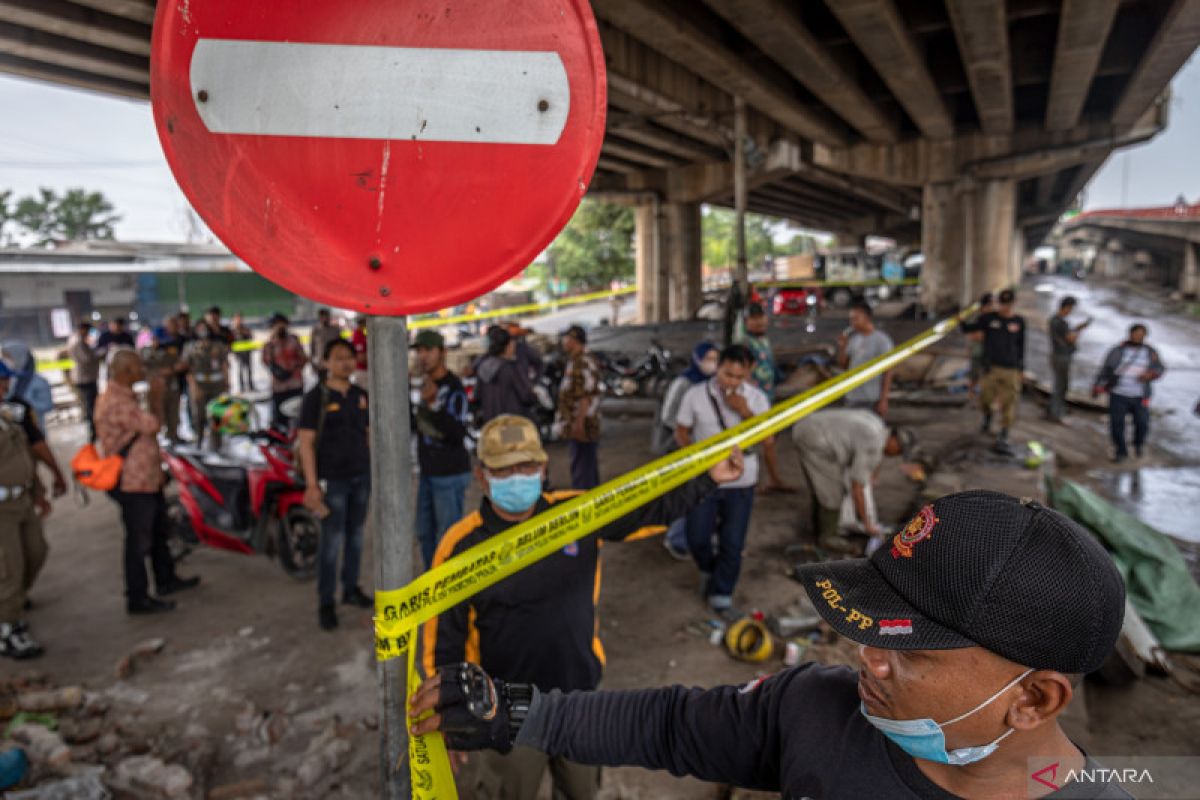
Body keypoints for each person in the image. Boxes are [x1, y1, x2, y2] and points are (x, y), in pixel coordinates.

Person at [412, 491, 1133, 800]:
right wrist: (514, 712)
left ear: (1033, 700)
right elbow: (668, 724)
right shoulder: (814, 712)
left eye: (911, 652)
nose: (866, 660)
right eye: (870, 634)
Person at [421, 414, 746, 800]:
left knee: (580, 790)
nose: (516, 476)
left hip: (579, 699)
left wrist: (708, 479)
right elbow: (443, 641)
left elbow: (648, 508)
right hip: (503, 710)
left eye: (526, 465)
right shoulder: (461, 546)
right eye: (503, 469)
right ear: (481, 476)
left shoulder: (576, 513)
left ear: (543, 468)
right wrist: (453, 711)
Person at [94, 350, 200, 615]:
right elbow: (153, 425)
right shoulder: (116, 402)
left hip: (145, 478)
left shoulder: (124, 396)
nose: (143, 370)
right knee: (138, 541)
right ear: (125, 372)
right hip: (132, 482)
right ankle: (137, 597)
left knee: (157, 532)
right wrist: (156, 396)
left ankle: (166, 579)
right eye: (138, 367)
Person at [674, 344, 772, 617]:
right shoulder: (695, 395)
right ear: (718, 367)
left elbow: (768, 440)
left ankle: (721, 594)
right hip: (705, 480)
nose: (731, 381)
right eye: (727, 374)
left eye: (738, 377)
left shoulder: (757, 399)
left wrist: (745, 413)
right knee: (697, 536)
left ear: (748, 374)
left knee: (733, 541)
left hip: (742, 482)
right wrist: (691, 460)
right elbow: (681, 431)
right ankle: (708, 569)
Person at [296, 339, 372, 631]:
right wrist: (312, 485)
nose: (346, 363)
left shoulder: (360, 395)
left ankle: (350, 589)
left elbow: (366, 434)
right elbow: (306, 443)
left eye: (350, 358)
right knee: (332, 542)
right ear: (325, 363)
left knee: (355, 536)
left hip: (360, 477)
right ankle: (326, 602)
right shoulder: (315, 398)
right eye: (338, 358)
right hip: (333, 482)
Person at [0, 361, 66, 659]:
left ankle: (11, 604)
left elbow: (27, 454)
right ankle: (7, 631)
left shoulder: (11, 411)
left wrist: (39, 490)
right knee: (8, 569)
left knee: (35, 552)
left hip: (22, 499)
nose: (5, 386)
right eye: (1, 381)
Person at [791, 408, 915, 554]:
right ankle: (828, 537)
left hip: (809, 425)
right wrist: (868, 525)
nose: (897, 455)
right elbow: (857, 489)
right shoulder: (873, 444)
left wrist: (873, 474)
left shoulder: (878, 427)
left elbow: (876, 458)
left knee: (820, 485)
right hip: (815, 440)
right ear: (895, 441)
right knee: (832, 491)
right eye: (899, 451)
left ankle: (818, 525)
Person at [412, 330, 472, 569]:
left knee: (448, 538)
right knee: (425, 534)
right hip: (428, 472)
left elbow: (456, 432)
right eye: (419, 351)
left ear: (443, 353)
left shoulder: (453, 387)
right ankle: (434, 583)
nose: (422, 356)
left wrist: (433, 405)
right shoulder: (426, 385)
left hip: (450, 473)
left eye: (428, 350)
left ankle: (449, 593)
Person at [654, 342, 719, 560]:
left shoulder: (713, 383)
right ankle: (676, 540)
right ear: (697, 359)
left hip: (702, 447)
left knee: (700, 493)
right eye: (708, 358)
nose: (712, 363)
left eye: (715, 359)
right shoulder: (684, 383)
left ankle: (696, 535)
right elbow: (668, 417)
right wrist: (687, 432)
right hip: (679, 447)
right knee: (683, 494)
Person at [1093, 323, 1165, 463]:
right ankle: (1121, 451)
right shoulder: (1117, 351)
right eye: (1136, 334)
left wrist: (1150, 375)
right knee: (1117, 424)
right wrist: (1097, 386)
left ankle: (1138, 444)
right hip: (1118, 394)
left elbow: (1160, 368)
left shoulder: (1150, 352)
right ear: (1130, 334)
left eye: (1141, 335)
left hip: (1140, 396)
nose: (1138, 337)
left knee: (1142, 423)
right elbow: (1106, 370)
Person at [964, 288, 1025, 447]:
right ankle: (987, 417)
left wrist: (1021, 369)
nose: (1005, 307)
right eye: (1002, 303)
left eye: (1008, 303)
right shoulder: (988, 319)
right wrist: (960, 319)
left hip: (1010, 369)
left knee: (1008, 402)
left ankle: (1004, 431)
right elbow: (968, 329)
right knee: (985, 398)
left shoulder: (1019, 322)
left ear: (1013, 303)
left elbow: (1021, 346)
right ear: (998, 303)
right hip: (990, 368)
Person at [557, 325, 603, 490]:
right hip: (577, 422)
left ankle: (584, 504)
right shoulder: (576, 360)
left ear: (574, 340)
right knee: (585, 465)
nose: (563, 342)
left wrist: (579, 424)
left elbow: (585, 397)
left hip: (583, 423)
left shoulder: (582, 362)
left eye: (566, 339)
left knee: (582, 470)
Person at [837, 299, 894, 417]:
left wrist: (884, 400)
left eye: (855, 319)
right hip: (852, 398)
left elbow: (888, 372)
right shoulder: (853, 340)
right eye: (851, 319)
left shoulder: (882, 341)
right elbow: (844, 365)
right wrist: (842, 348)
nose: (852, 323)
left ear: (867, 318)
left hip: (871, 399)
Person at [182, 320, 231, 449]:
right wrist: (193, 387)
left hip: (217, 385)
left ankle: (217, 444)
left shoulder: (218, 346)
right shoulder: (190, 347)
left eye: (204, 328)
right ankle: (199, 442)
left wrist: (227, 383)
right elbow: (188, 369)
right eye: (199, 328)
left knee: (217, 415)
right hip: (199, 385)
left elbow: (225, 365)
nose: (202, 331)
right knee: (199, 415)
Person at [474, 326, 535, 426]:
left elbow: (476, 396)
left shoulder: (482, 366)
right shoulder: (510, 368)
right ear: (507, 346)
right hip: (512, 426)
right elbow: (526, 396)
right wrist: (533, 394)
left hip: (491, 426)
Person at [1046, 296, 1090, 423]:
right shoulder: (1061, 322)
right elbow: (1070, 339)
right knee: (1061, 386)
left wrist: (1077, 329)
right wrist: (1078, 332)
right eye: (1070, 308)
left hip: (1057, 355)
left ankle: (1053, 410)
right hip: (1062, 356)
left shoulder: (1054, 320)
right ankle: (1056, 413)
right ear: (1066, 307)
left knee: (1058, 384)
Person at [140, 324, 186, 443]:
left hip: (171, 386)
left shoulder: (171, 350)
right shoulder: (144, 352)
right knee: (156, 412)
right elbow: (141, 369)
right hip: (154, 388)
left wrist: (172, 369)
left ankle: (173, 435)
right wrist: (158, 372)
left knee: (173, 412)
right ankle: (155, 437)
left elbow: (180, 364)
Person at [261, 313, 306, 429]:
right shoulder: (269, 345)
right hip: (279, 387)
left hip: (295, 385)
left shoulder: (294, 340)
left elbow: (303, 358)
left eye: (282, 324)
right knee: (280, 420)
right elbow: (266, 362)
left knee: (298, 417)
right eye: (276, 325)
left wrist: (294, 368)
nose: (280, 327)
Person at [735, 302, 782, 402]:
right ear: (746, 322)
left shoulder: (764, 340)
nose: (759, 322)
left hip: (768, 396)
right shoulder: (744, 343)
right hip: (752, 400)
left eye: (761, 317)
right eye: (754, 318)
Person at [1, 341, 54, 424]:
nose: (5, 360)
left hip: (34, 426)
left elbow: (47, 405)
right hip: (12, 429)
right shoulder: (8, 379)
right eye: (4, 357)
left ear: (20, 357)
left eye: (8, 357)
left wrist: (25, 408)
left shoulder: (39, 381)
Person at [67, 321, 102, 441]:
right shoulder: (78, 343)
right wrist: (99, 354)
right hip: (85, 378)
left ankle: (94, 429)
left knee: (90, 405)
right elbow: (86, 359)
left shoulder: (79, 341)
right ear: (82, 330)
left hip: (86, 377)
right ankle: (93, 431)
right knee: (90, 406)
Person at [966, 292, 995, 399]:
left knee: (988, 375)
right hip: (978, 351)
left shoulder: (992, 318)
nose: (992, 307)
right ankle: (972, 395)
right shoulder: (979, 318)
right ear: (985, 306)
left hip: (987, 352)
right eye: (991, 305)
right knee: (975, 376)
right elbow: (975, 336)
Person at [310, 308, 343, 384]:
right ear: (319, 318)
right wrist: (313, 365)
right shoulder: (316, 331)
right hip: (321, 364)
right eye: (322, 317)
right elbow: (312, 349)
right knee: (323, 385)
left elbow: (341, 346)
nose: (325, 319)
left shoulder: (335, 330)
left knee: (336, 384)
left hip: (334, 363)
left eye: (326, 316)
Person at [230, 312, 255, 392]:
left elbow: (251, 338)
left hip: (247, 352)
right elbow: (231, 342)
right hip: (239, 353)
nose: (238, 320)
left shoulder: (245, 329)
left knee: (249, 369)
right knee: (240, 370)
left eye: (240, 318)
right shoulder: (233, 331)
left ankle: (251, 386)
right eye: (237, 318)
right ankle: (242, 387)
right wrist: (234, 353)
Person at [350, 316, 369, 387]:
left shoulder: (362, 334)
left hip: (365, 370)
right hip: (362, 371)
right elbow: (360, 357)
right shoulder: (358, 335)